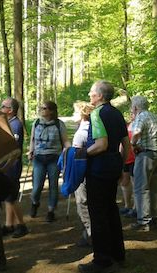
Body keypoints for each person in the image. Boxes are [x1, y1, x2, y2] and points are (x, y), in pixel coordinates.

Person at [77, 80, 130, 273]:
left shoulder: (98, 113)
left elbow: (101, 145)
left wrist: (81, 153)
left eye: (92, 92)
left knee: (98, 214)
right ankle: (118, 253)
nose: (90, 95)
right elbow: (126, 144)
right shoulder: (116, 113)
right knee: (111, 210)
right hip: (113, 167)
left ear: (99, 96)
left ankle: (101, 260)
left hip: (98, 170)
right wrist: (121, 166)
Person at [28, 101, 70, 222]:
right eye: (41, 107)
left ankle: (51, 211)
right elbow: (32, 140)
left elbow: (65, 140)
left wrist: (69, 150)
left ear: (51, 111)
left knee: (53, 185)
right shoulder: (36, 123)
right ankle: (35, 202)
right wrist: (31, 151)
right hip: (39, 158)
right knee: (37, 186)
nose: (41, 109)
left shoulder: (59, 124)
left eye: (44, 108)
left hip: (54, 158)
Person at [129, 95, 157, 231]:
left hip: (146, 155)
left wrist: (133, 144)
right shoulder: (155, 116)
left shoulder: (141, 117)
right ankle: (153, 218)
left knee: (141, 188)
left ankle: (144, 220)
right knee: (153, 188)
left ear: (135, 107)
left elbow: (136, 132)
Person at [0, 97, 28, 238]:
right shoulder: (8, 123)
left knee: (12, 197)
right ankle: (8, 225)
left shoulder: (15, 125)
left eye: (3, 106)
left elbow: (14, 150)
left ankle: (21, 225)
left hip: (12, 166)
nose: (0, 108)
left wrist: (5, 166)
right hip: (6, 165)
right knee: (7, 196)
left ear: (10, 110)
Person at [71, 101, 94, 247]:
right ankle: (89, 233)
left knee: (82, 203)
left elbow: (77, 157)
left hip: (82, 173)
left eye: (75, 112)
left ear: (82, 114)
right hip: (93, 172)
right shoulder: (93, 128)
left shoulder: (81, 133)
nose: (74, 115)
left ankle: (91, 234)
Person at [119, 119, 136, 218]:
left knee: (134, 183)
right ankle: (127, 205)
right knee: (124, 182)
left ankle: (135, 208)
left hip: (134, 159)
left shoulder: (135, 128)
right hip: (125, 160)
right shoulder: (121, 130)